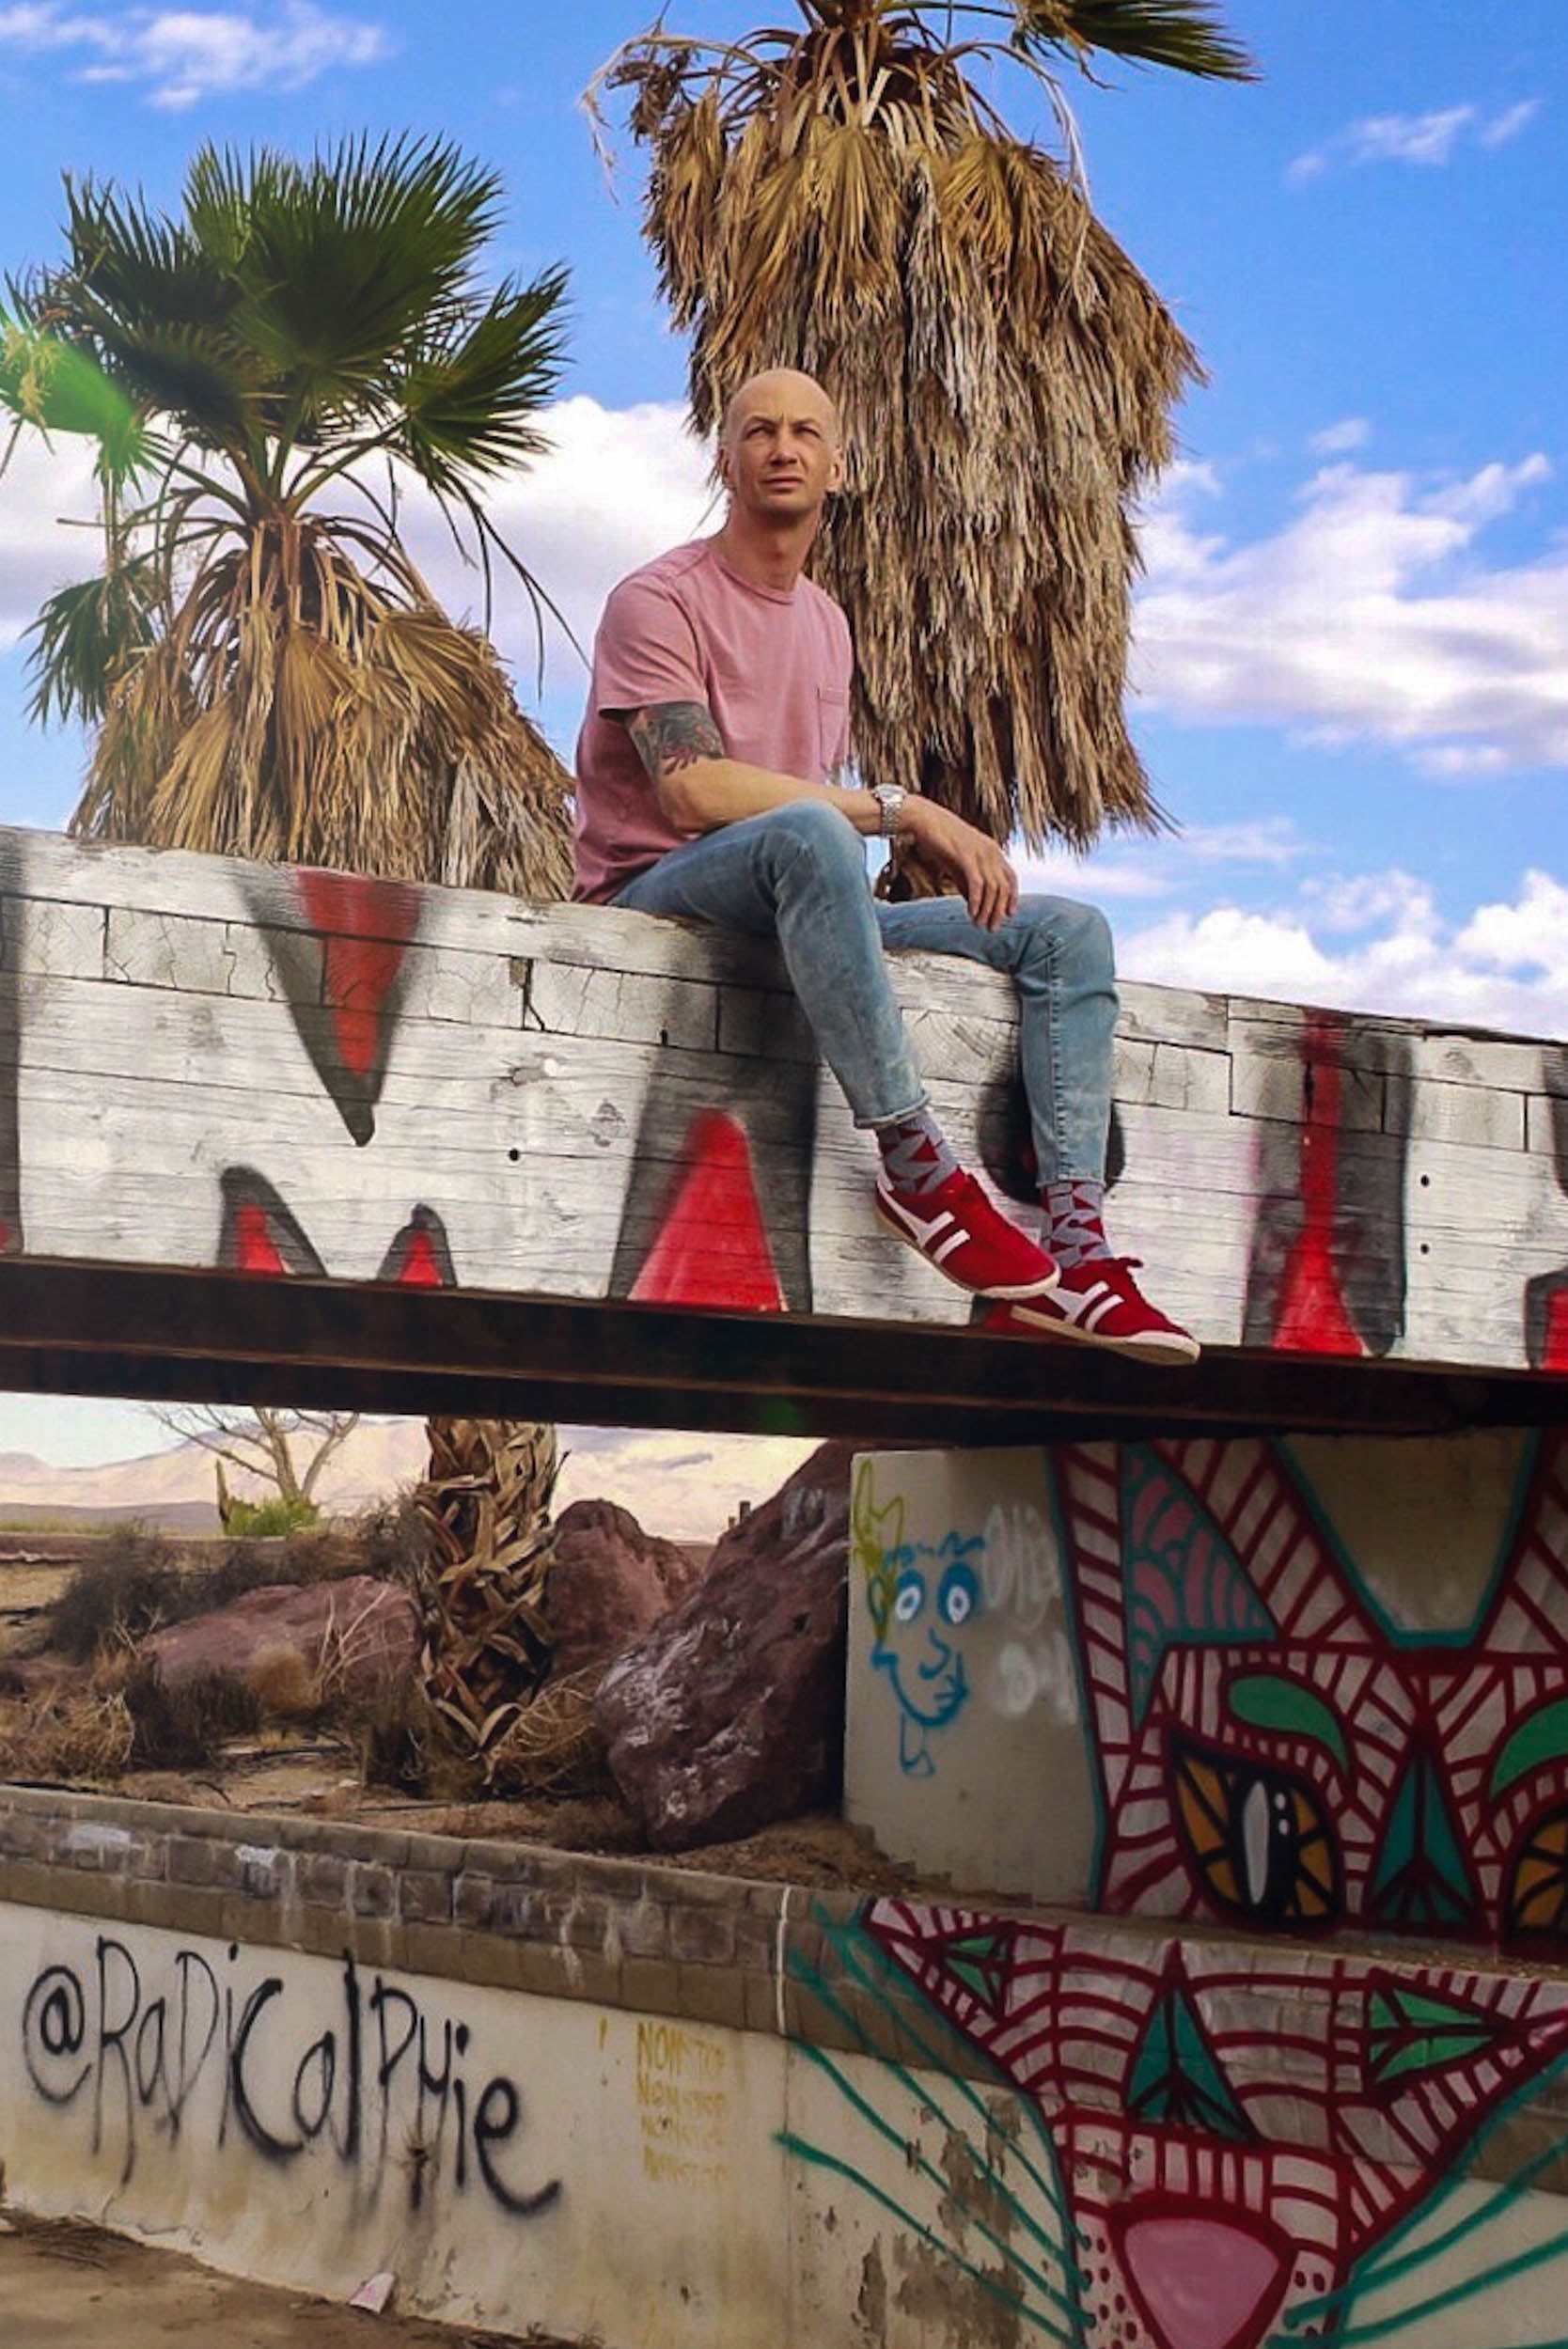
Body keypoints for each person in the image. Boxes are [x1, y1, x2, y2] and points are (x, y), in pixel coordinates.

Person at [572, 368, 1197, 1364]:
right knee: (822, 836)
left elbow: (800, 821)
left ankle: (1078, 1255)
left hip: (790, 902)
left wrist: (869, 835)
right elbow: (690, 792)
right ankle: (917, 1173)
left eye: (807, 433)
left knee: (1068, 932)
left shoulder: (825, 623)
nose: (784, 448)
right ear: (725, 461)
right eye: (760, 432)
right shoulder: (657, 599)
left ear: (838, 466)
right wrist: (904, 812)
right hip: (654, 902)